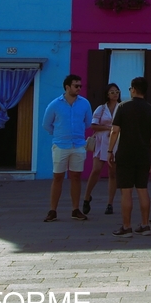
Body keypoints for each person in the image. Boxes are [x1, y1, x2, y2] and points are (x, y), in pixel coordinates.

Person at [108, 76, 151, 237]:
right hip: (144, 154)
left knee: (126, 191)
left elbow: (115, 131)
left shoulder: (123, 107)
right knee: (143, 190)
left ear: (134, 89)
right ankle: (145, 225)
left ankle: (126, 226)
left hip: (125, 154)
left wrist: (109, 150)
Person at [41, 73, 93, 222]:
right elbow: (46, 124)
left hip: (78, 145)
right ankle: (52, 210)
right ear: (67, 87)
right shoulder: (54, 104)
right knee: (58, 177)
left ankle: (75, 209)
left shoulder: (85, 103)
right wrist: (59, 134)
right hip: (60, 145)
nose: (79, 88)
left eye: (80, 86)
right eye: (76, 86)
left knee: (76, 177)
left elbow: (88, 123)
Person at [83, 83, 122, 216]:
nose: (115, 94)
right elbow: (93, 125)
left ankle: (110, 203)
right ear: (107, 94)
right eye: (112, 92)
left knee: (113, 173)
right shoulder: (101, 108)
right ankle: (87, 197)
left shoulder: (121, 108)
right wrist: (108, 128)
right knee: (96, 170)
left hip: (115, 142)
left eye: (117, 92)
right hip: (101, 141)